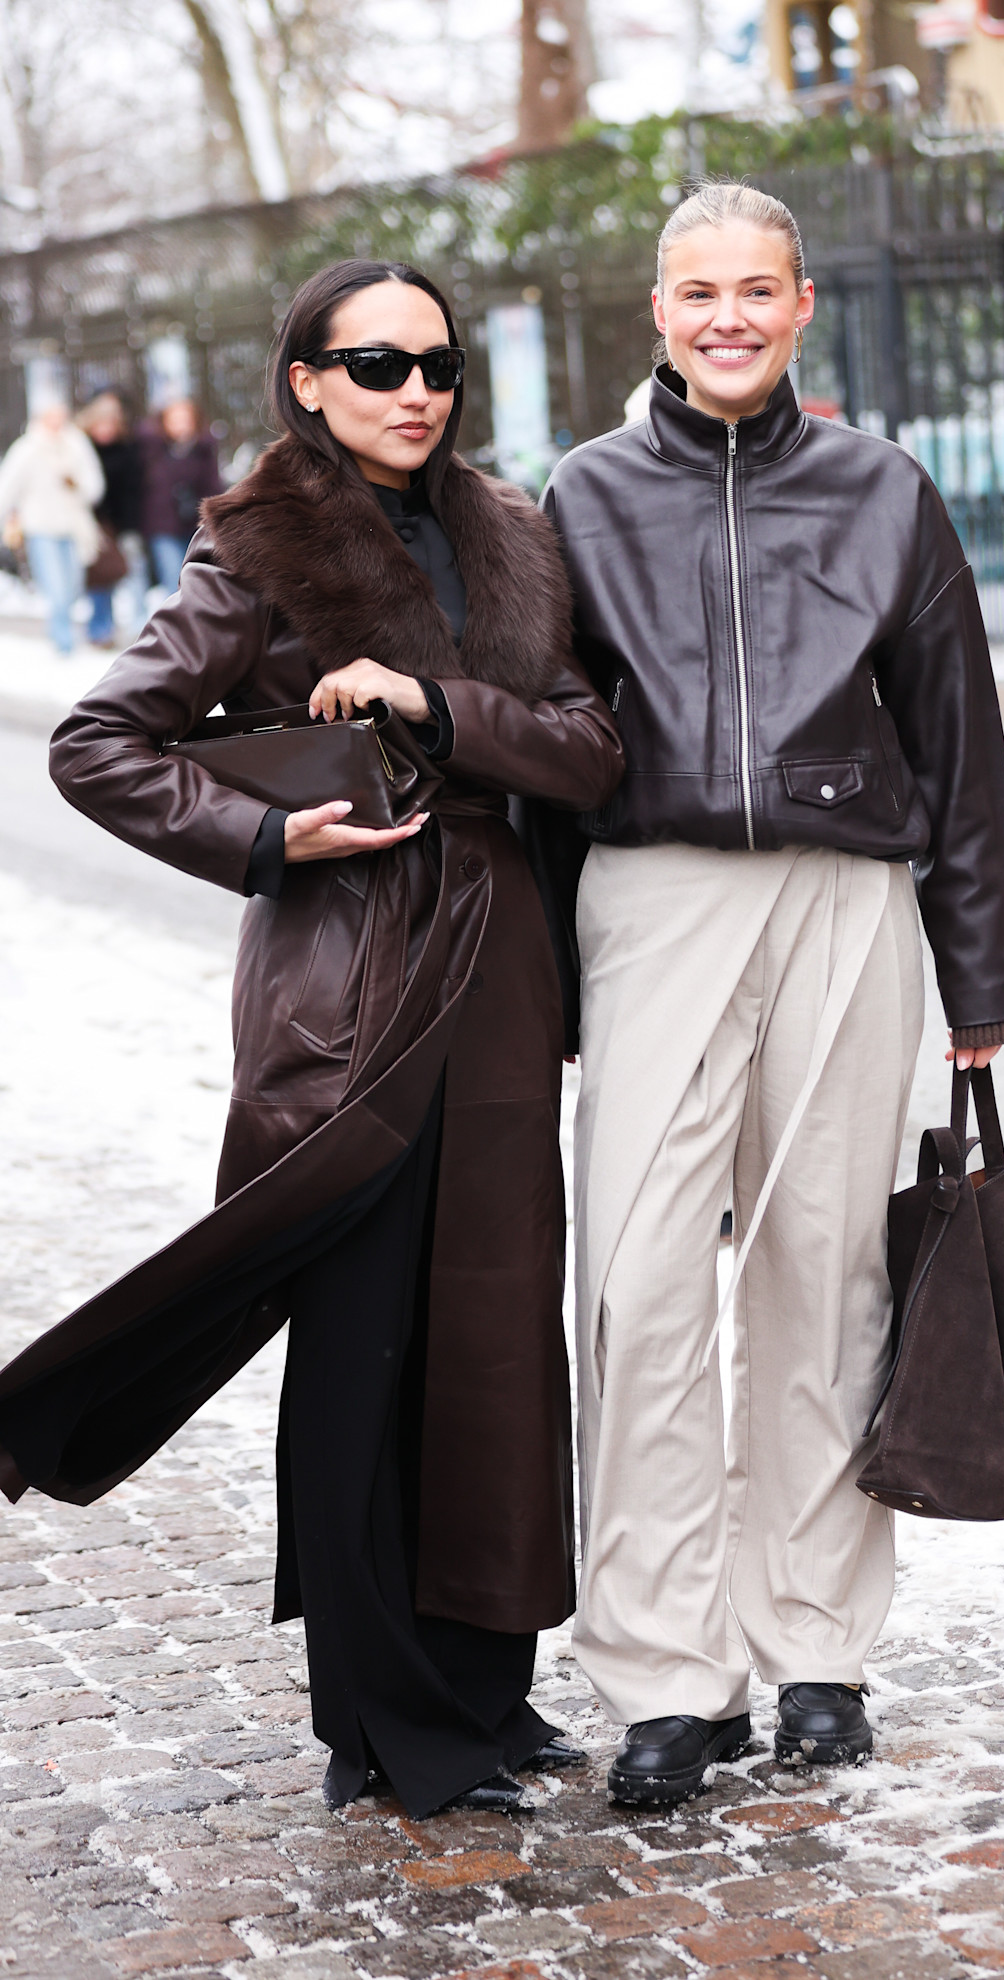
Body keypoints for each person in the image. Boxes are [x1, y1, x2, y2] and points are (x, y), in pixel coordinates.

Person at [0, 258, 623, 1817]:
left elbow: (595, 749)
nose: (415, 390)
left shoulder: (513, 532)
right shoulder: (260, 542)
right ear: (308, 380)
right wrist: (270, 844)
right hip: (352, 972)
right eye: (377, 363)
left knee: (493, 1336)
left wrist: (433, 702)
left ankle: (488, 1687)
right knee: (364, 1344)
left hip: (502, 966)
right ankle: (380, 1715)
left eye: (437, 365)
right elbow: (100, 743)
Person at [541, 182, 1004, 1805]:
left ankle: (817, 1651)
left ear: (803, 303)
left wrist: (983, 974)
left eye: (756, 289)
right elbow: (544, 752)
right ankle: (665, 1676)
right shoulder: (584, 496)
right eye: (699, 291)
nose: (728, 318)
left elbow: (960, 742)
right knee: (635, 1290)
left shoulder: (886, 492)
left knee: (825, 1280)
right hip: (653, 904)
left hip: (846, 904)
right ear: (658, 308)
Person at [0, 398, 103, 655]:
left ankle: (65, 636)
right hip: (41, 527)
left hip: (74, 528)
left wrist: (76, 483)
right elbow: (8, 488)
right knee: (56, 587)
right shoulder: (27, 449)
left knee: (73, 587)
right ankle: (64, 643)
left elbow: (94, 485)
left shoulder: (77, 444)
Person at [79, 392, 147, 646]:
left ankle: (140, 626)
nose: (105, 429)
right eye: (100, 424)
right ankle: (100, 629)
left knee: (134, 571)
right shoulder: (83, 448)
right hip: (96, 523)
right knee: (100, 578)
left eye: (110, 423)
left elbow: (133, 489)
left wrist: (130, 525)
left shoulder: (128, 448)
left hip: (125, 522)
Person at [140, 396, 223, 596]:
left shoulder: (204, 450)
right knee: (172, 576)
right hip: (162, 525)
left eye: (185, 419)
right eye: (174, 419)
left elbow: (213, 487)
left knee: (198, 577)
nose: (180, 425)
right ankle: (175, 624)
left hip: (195, 523)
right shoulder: (152, 450)